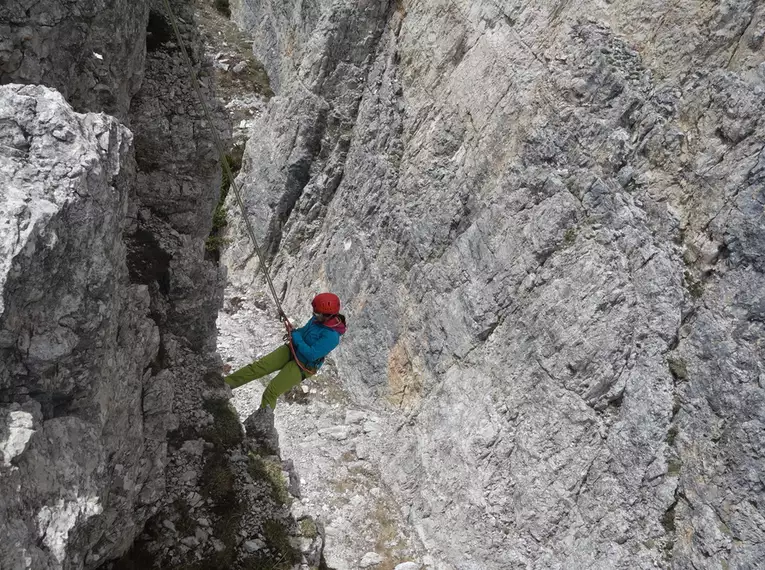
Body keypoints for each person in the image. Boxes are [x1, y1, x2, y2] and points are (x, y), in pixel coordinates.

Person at [225, 292, 347, 410]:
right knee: (257, 368)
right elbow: (303, 332)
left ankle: (261, 424)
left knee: (271, 391)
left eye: (317, 313)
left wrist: (296, 337)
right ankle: (224, 385)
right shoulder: (317, 320)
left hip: (303, 365)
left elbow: (311, 354)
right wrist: (294, 331)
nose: (314, 315)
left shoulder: (332, 336)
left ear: (328, 315)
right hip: (292, 349)